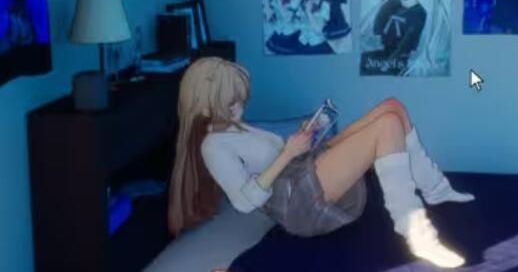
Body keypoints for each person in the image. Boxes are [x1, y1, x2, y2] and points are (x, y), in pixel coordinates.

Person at [168, 58, 473, 269]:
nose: (239, 106)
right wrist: (288, 153)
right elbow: (245, 203)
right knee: (387, 127)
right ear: (204, 105)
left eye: (240, 98)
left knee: (392, 107)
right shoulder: (213, 146)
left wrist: (304, 138)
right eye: (231, 102)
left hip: (301, 169)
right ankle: (415, 231)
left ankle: (434, 188)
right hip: (297, 202)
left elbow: (276, 158)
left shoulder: (234, 127)